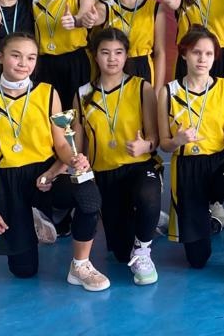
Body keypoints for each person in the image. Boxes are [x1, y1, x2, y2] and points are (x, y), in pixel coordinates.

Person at [0, 33, 109, 290]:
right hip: (9, 182)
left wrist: (73, 159)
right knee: (23, 271)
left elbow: (61, 144)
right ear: (0, 57)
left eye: (31, 57)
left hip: (46, 175)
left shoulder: (47, 93)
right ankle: (34, 219)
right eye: (16, 56)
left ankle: (79, 264)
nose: (23, 63)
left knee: (89, 197)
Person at [157, 27, 224, 282]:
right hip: (187, 168)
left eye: (208, 54)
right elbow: (164, 144)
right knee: (198, 260)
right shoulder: (168, 92)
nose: (202, 59)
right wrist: (178, 140)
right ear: (184, 54)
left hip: (219, 162)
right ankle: (210, 221)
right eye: (196, 53)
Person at [74, 28, 162, 285]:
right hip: (104, 174)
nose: (112, 58)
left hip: (138, 167)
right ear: (95, 56)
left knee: (148, 196)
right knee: (121, 254)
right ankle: (143, 222)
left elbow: (155, 138)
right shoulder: (82, 94)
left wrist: (145, 146)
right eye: (105, 52)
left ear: (126, 55)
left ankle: (143, 248)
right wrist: (77, 161)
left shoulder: (141, 87)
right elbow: (78, 144)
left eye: (118, 52)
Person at [33, 0, 99, 112]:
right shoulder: (35, 2)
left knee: (78, 112)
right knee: (51, 112)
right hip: (45, 64)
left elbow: (85, 14)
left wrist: (76, 20)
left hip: (75, 62)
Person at [92, 0, 161, 84]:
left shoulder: (155, 7)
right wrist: (83, 20)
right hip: (112, 66)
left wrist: (157, 90)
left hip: (143, 68)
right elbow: (93, 18)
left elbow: (160, 52)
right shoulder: (103, 7)